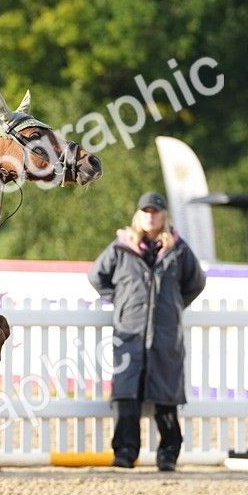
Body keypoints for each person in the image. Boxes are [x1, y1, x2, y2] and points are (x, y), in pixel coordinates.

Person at [88, 191, 206, 472]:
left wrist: (176, 304)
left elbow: (196, 282)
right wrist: (122, 300)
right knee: (127, 394)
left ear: (164, 215)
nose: (150, 216)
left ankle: (168, 455)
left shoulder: (178, 249)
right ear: (138, 215)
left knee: (166, 396)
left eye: (155, 211)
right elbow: (97, 276)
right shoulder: (120, 248)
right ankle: (126, 452)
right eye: (146, 211)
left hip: (165, 335)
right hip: (129, 331)